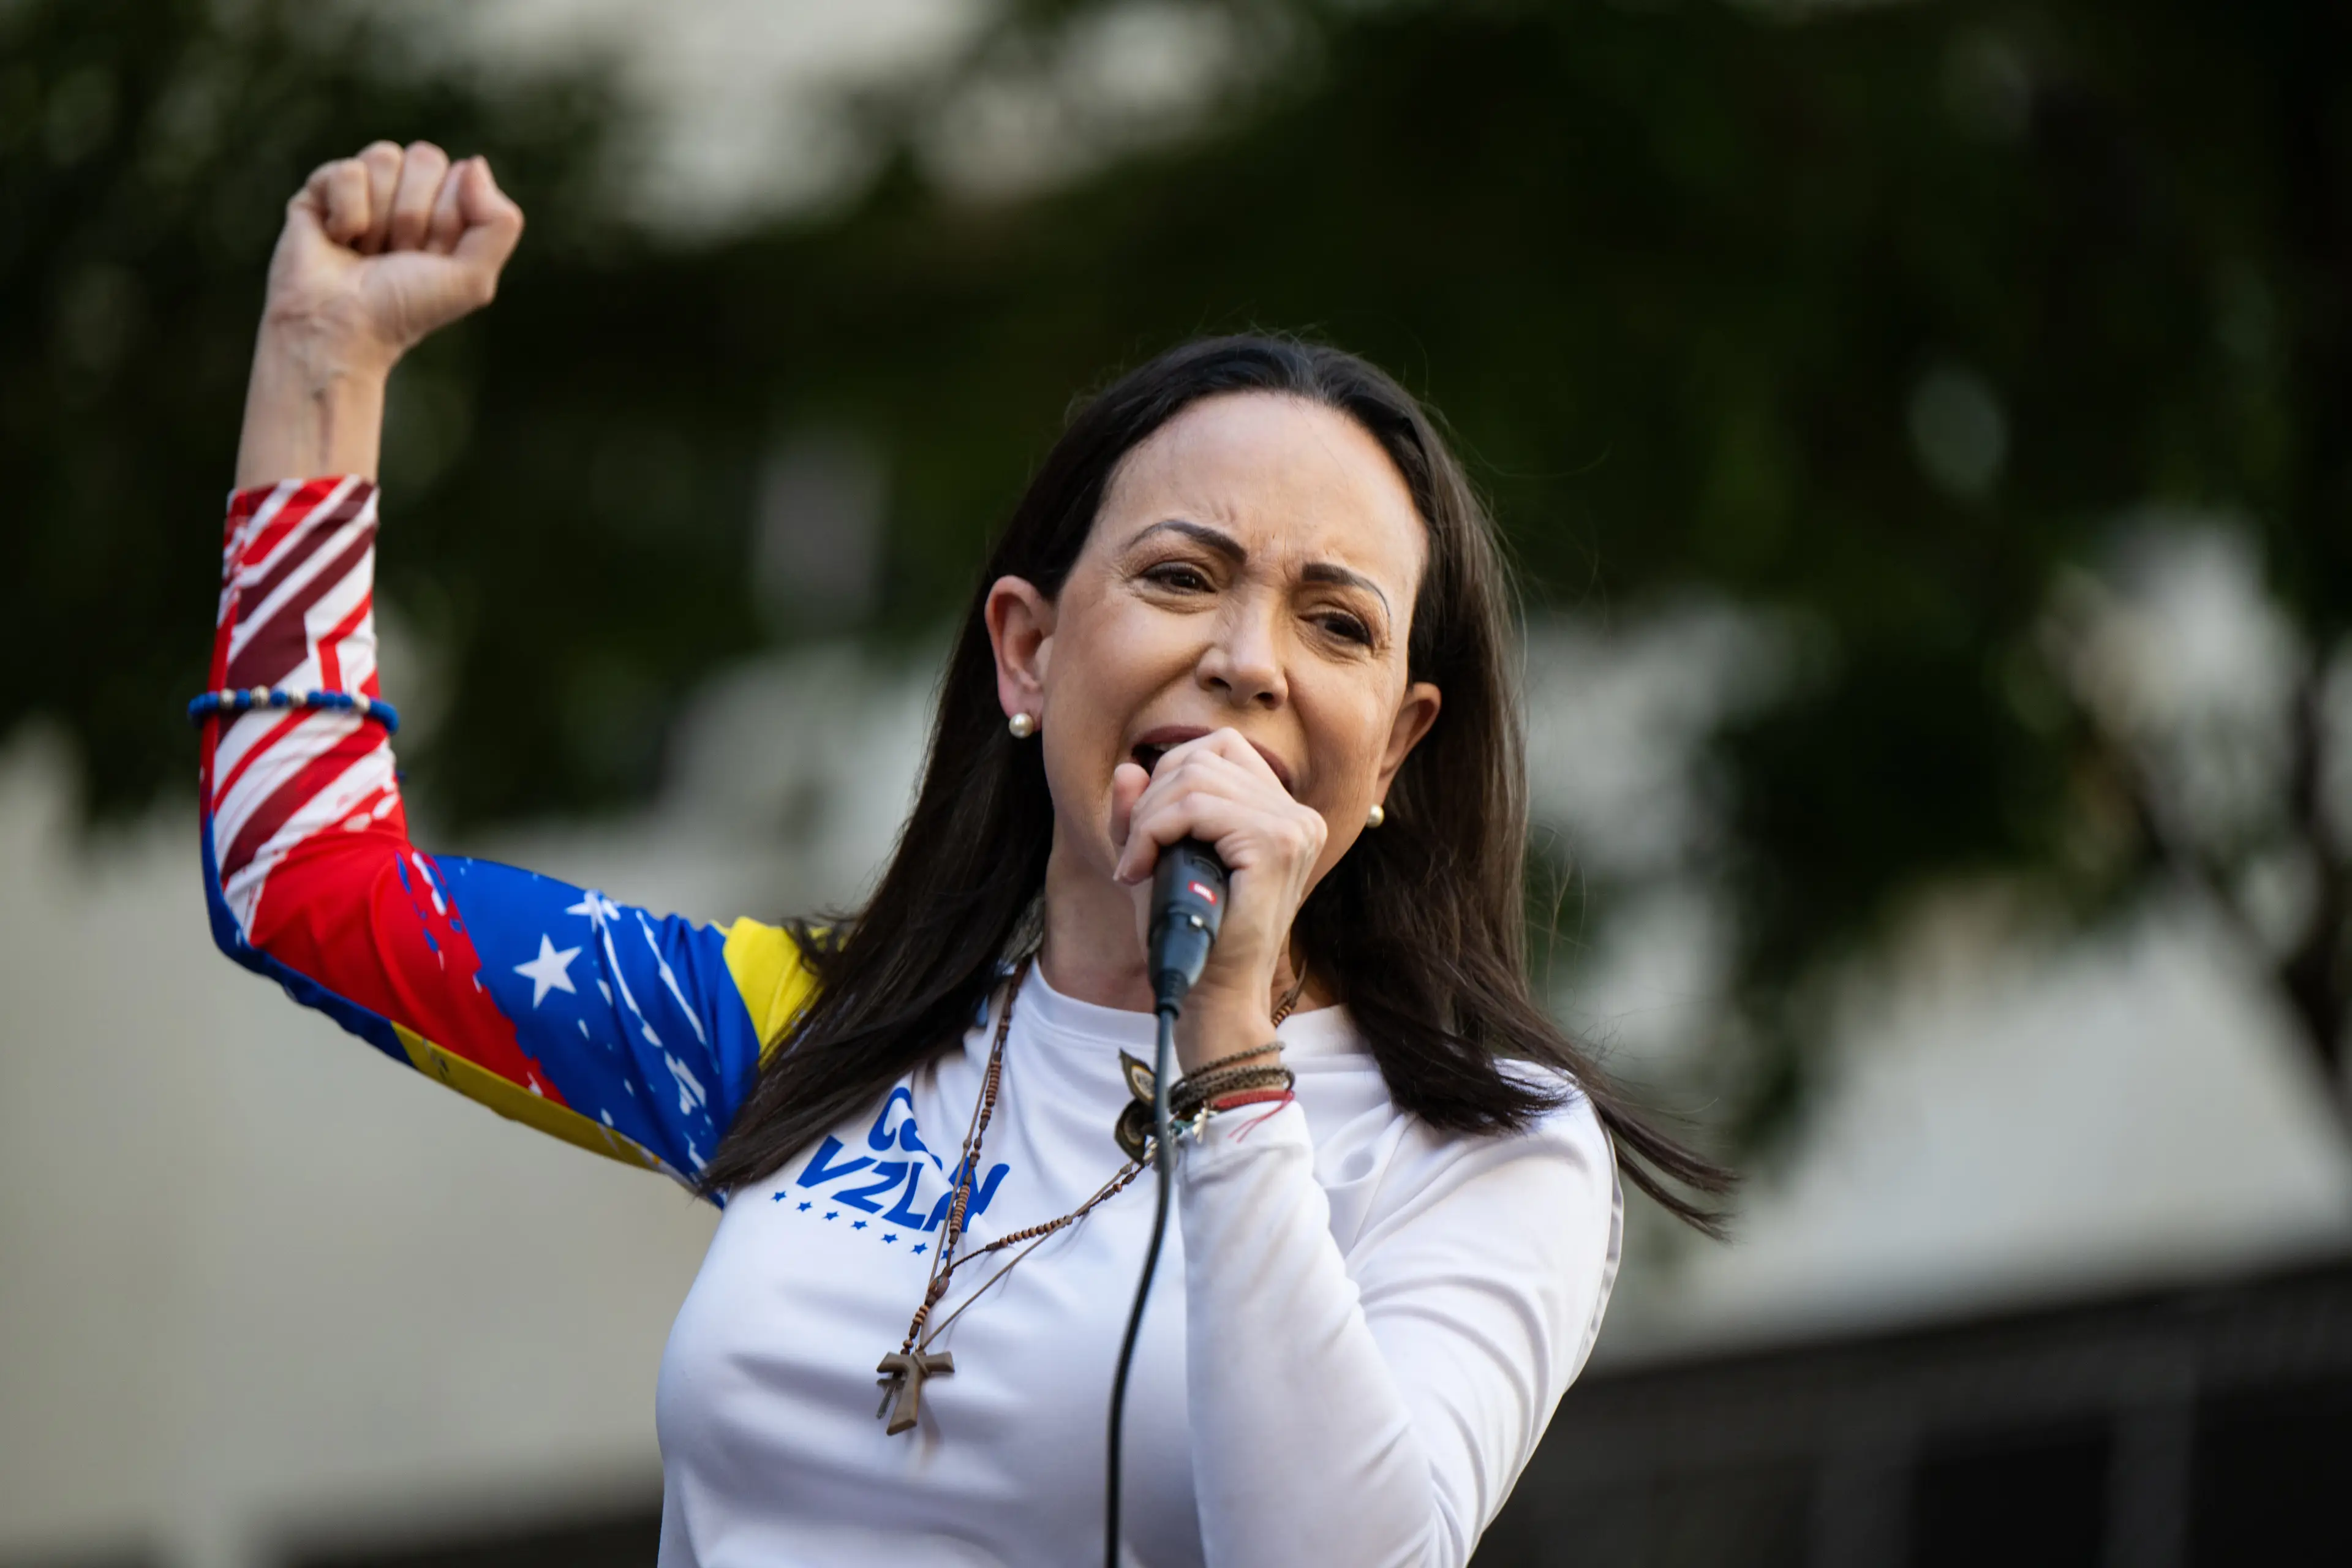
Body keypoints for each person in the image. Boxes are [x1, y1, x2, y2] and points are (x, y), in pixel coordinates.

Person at [201, 138, 1727, 1567]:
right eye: (1183, 574)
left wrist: (1230, 1048)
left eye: (1338, 622)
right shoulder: (820, 1026)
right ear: (1027, 652)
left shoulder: (1479, 1144)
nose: (1250, 659)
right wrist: (322, 371)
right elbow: (301, 876)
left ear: (1395, 749)